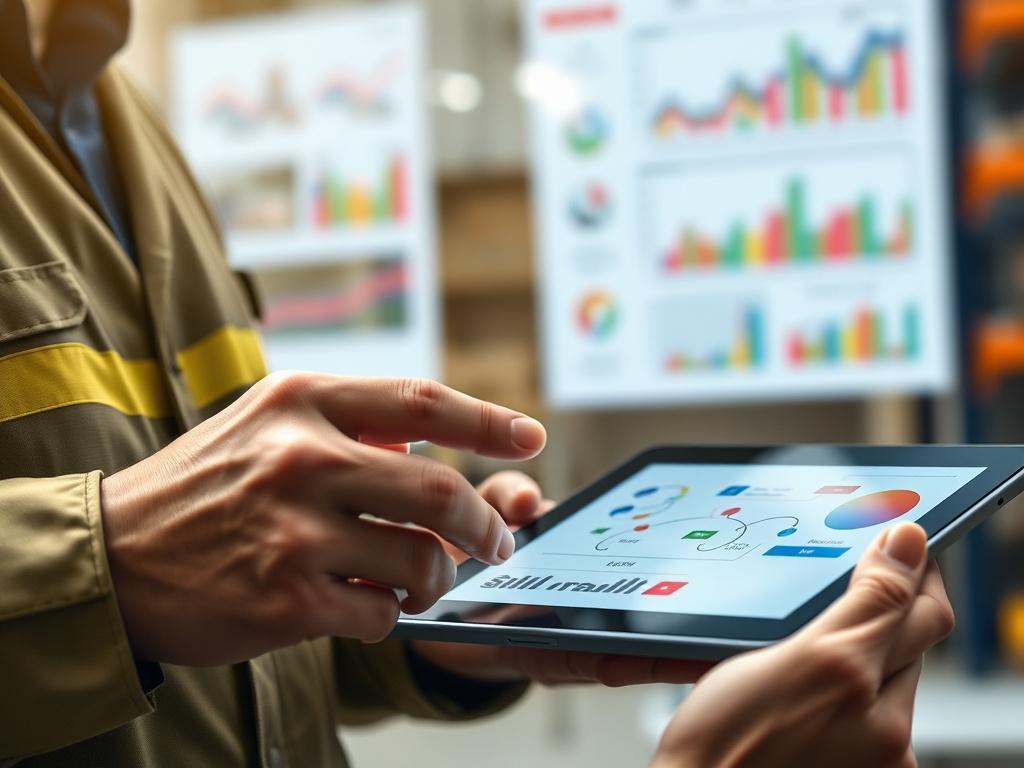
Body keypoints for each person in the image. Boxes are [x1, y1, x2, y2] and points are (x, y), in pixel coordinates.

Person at [0, 1, 953, 766]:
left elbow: (213, 622)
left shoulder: (123, 114)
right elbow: (152, 573)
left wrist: (427, 620)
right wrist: (103, 567)